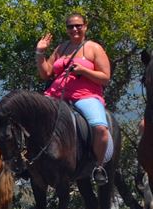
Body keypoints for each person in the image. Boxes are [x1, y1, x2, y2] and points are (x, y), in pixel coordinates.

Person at [35, 12, 113, 184]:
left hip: (85, 96)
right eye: (70, 26)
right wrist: (40, 53)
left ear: (85, 26)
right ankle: (30, 163)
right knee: (30, 119)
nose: (74, 29)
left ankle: (98, 167)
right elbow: (46, 73)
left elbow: (105, 78)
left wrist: (84, 71)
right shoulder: (61, 48)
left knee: (100, 129)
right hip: (55, 95)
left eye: (78, 25)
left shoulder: (94, 48)